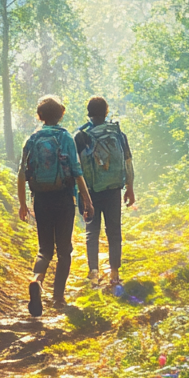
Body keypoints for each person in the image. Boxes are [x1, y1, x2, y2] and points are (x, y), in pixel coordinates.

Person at [18, 96, 93, 315]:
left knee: (45, 248)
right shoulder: (65, 137)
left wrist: (23, 204)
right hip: (63, 198)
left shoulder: (31, 139)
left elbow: (22, 174)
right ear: (61, 114)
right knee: (64, 249)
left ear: (39, 116)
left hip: (40, 199)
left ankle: (36, 280)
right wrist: (86, 200)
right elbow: (77, 172)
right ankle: (58, 297)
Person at [74, 96, 134, 287]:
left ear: (88, 113)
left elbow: (75, 167)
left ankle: (94, 271)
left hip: (89, 191)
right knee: (114, 230)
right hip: (114, 189)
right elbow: (127, 162)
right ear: (106, 112)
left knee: (92, 230)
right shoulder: (117, 134)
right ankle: (114, 273)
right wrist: (129, 187)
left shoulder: (80, 136)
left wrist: (79, 194)